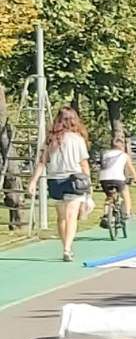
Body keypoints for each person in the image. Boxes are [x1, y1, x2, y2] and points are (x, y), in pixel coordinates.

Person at [28, 108, 93, 262]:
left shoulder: (51, 139)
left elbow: (42, 162)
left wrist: (33, 180)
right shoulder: (77, 139)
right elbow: (84, 163)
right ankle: (67, 249)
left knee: (61, 217)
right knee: (71, 216)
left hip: (54, 180)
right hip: (73, 179)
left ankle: (65, 245)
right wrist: (88, 184)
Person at [98, 130, 136, 224]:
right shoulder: (124, 155)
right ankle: (127, 214)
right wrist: (135, 178)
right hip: (118, 179)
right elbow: (131, 167)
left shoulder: (105, 154)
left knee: (109, 197)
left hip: (104, 179)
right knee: (125, 193)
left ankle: (106, 215)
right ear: (122, 146)